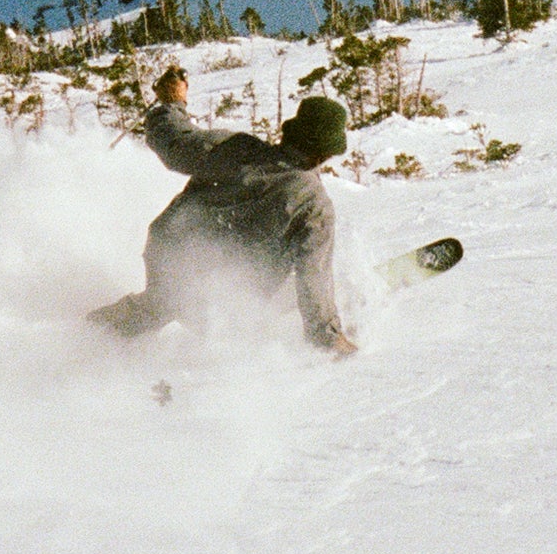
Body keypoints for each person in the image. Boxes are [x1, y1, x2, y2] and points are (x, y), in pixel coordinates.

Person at [90, 66, 359, 355]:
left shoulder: (236, 149)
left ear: (289, 132)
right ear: (326, 153)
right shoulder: (314, 205)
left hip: (169, 255)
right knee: (244, 308)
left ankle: (83, 334)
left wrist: (172, 103)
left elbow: (174, 143)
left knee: (160, 304)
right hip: (224, 297)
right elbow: (313, 275)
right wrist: (329, 337)